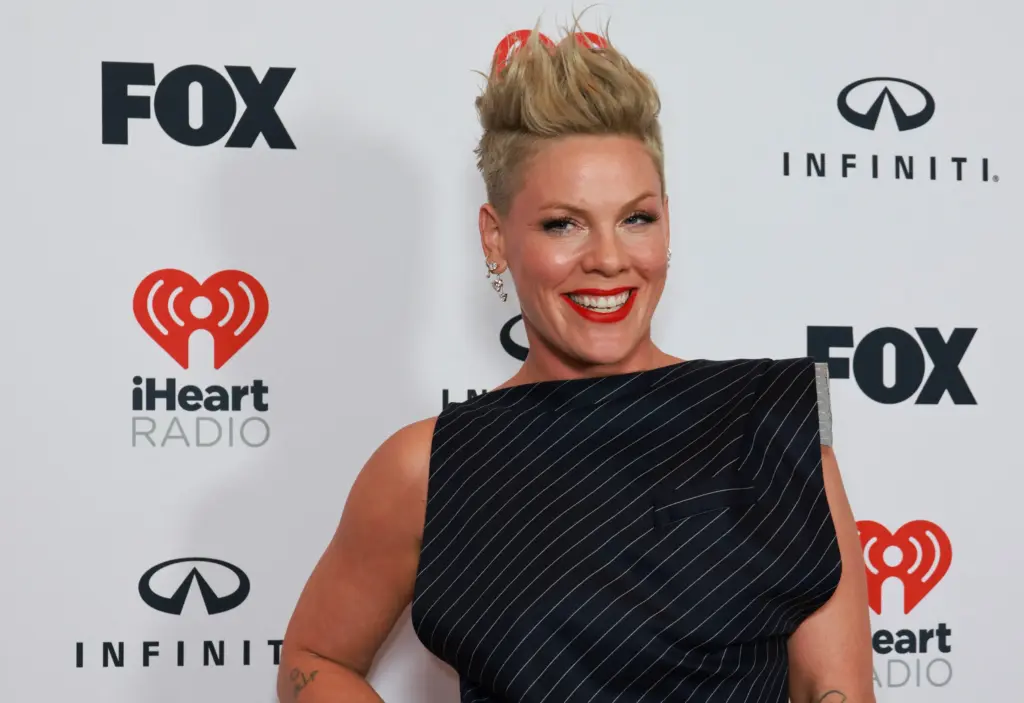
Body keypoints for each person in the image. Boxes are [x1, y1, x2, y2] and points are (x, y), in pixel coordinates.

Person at [277, 23, 874, 703]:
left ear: (668, 221)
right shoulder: (429, 466)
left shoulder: (767, 425)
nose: (609, 260)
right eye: (563, 223)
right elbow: (314, 657)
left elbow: (834, 688)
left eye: (636, 219)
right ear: (495, 238)